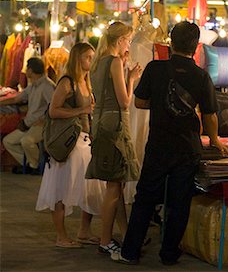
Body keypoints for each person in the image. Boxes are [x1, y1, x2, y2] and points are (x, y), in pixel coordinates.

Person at [112, 21, 228, 266]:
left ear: (171, 43)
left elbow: (139, 103)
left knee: (144, 198)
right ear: (195, 47)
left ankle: (130, 252)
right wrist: (216, 140)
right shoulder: (201, 75)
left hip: (158, 144)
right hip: (187, 148)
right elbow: (210, 115)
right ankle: (168, 254)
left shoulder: (155, 69)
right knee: (179, 203)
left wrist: (160, 105)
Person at [36, 42, 106, 248]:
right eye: (87, 57)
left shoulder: (87, 81)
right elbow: (53, 111)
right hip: (68, 143)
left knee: (90, 188)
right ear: (77, 59)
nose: (91, 61)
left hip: (84, 141)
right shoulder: (67, 82)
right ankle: (61, 236)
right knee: (61, 189)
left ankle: (84, 231)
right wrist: (81, 110)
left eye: (92, 56)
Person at [85, 21, 142, 256]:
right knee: (113, 186)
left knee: (114, 182)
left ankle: (123, 233)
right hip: (114, 125)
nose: (129, 44)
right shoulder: (114, 62)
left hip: (99, 123)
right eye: (128, 40)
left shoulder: (98, 63)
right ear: (120, 41)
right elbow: (125, 101)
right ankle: (106, 240)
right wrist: (132, 78)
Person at [2, 57, 55, 174]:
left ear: (31, 70)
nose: (26, 71)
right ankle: (28, 163)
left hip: (41, 124)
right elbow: (16, 99)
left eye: (27, 68)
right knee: (8, 141)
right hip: (29, 124)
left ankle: (36, 165)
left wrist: (44, 120)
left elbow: (53, 106)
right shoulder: (33, 86)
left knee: (27, 141)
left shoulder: (47, 86)